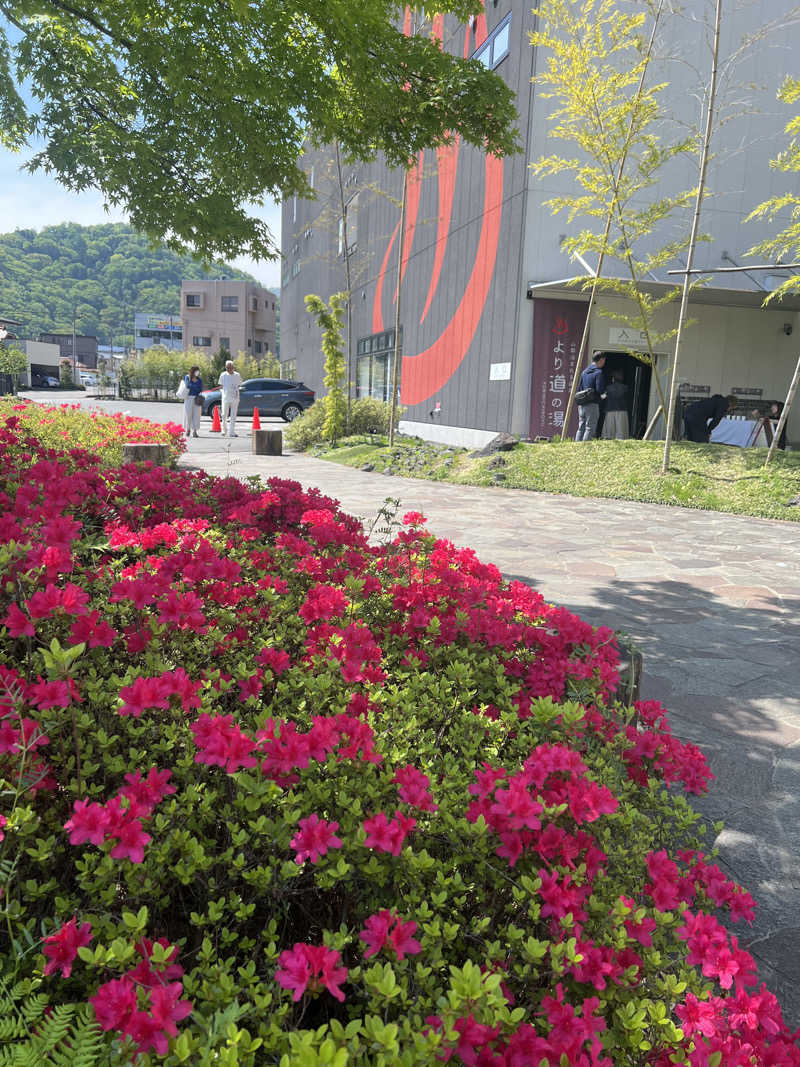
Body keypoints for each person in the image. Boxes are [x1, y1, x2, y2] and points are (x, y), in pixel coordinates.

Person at [575, 353, 607, 441]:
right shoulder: (598, 372)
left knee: (581, 427)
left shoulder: (584, 372)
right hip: (592, 404)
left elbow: (579, 388)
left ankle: (576, 447)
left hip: (581, 404)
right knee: (590, 427)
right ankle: (585, 448)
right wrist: (604, 396)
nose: (604, 362)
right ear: (601, 360)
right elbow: (600, 389)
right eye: (604, 360)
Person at [601, 370, 629, 439]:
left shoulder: (608, 388)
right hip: (622, 410)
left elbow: (602, 397)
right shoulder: (625, 388)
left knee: (609, 431)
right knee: (621, 430)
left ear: (613, 378)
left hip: (610, 409)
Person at [218, 360, 243, 437]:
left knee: (233, 415)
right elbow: (221, 385)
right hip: (225, 397)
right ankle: (224, 430)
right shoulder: (223, 375)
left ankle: (232, 432)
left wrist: (236, 390)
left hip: (235, 397)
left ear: (233, 367)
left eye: (230, 367)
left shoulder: (237, 375)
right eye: (227, 367)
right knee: (224, 414)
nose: (228, 369)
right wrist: (223, 392)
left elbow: (239, 385)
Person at [183, 366, 203, 438]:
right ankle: (188, 429)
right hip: (188, 398)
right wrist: (195, 384)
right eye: (197, 371)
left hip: (197, 399)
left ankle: (195, 431)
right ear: (193, 371)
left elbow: (200, 389)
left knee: (196, 415)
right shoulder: (187, 377)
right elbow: (187, 385)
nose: (198, 372)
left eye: (198, 371)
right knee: (188, 414)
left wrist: (194, 385)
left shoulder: (199, 379)